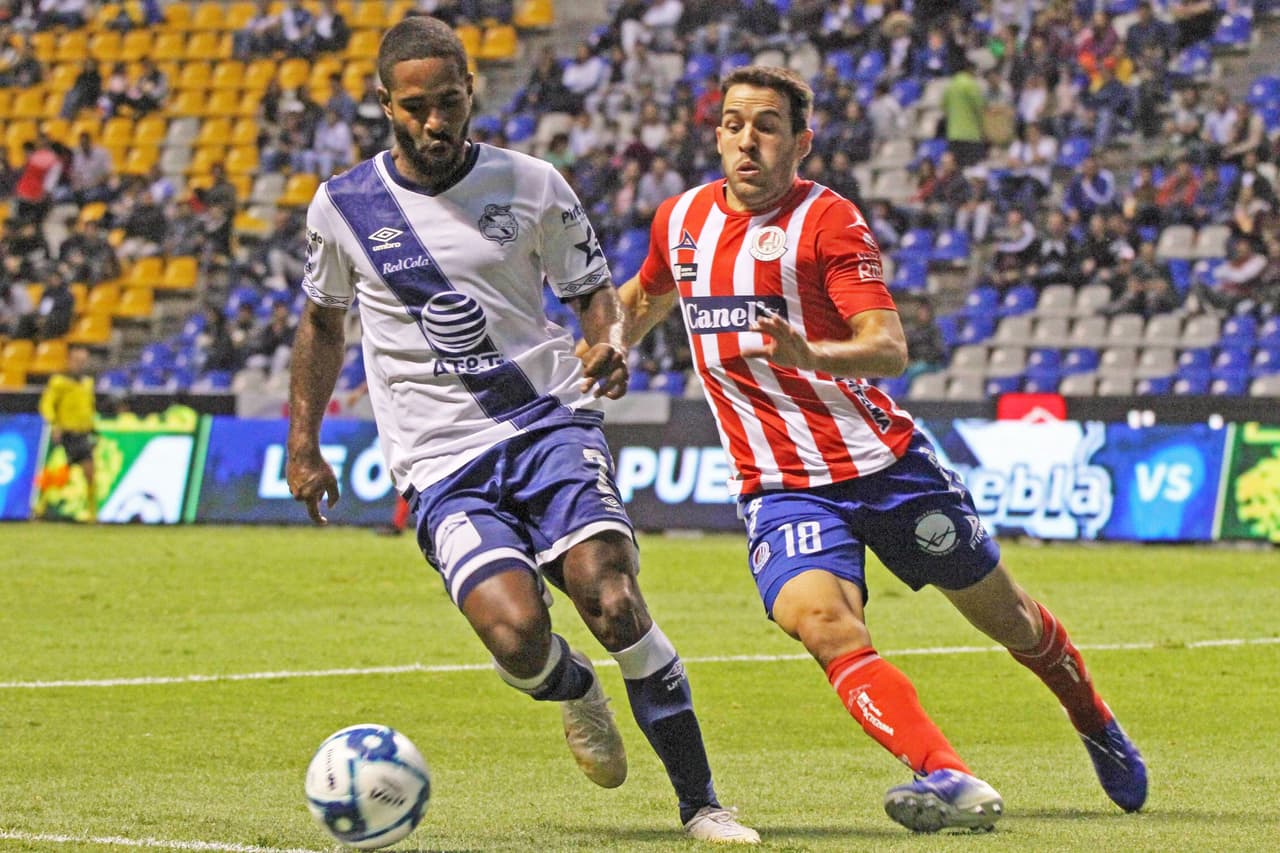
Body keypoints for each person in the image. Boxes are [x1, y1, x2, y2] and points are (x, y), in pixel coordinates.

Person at [617, 65, 1148, 834]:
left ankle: (1092, 717)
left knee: (1012, 620)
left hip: (884, 468)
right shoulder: (681, 220)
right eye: (733, 125)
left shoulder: (827, 220)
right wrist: (603, 347)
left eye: (766, 126)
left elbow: (889, 346)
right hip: (779, 484)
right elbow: (646, 294)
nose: (746, 140)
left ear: (801, 142)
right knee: (822, 623)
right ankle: (947, 773)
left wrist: (813, 355)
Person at [284, 17, 759, 845]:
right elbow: (323, 324)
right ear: (386, 105)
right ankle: (573, 688)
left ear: (472, 91)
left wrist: (609, 342)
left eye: (450, 102)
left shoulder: (532, 182)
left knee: (612, 598)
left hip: (546, 421)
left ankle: (703, 804)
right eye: (417, 108)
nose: (436, 122)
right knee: (516, 636)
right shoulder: (345, 207)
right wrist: (303, 443)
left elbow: (593, 291)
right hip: (440, 461)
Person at [36, 345, 98, 522]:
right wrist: (54, 424)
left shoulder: (87, 383)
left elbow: (88, 408)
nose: (80, 364)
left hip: (82, 434)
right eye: (77, 361)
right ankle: (39, 508)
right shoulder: (59, 382)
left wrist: (93, 429)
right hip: (65, 434)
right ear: (69, 361)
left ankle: (93, 513)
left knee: (90, 473)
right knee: (56, 476)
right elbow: (46, 404)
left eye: (83, 361)